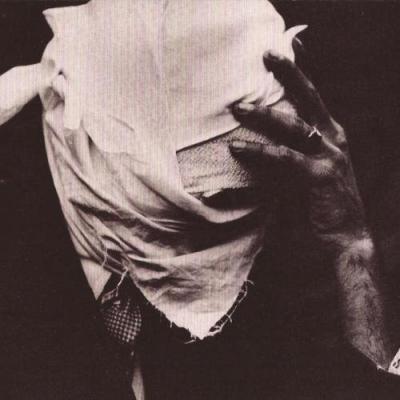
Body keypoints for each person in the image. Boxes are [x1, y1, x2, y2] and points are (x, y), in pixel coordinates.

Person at [0, 1, 399, 399]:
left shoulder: (278, 267)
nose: (234, 249)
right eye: (213, 202)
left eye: (249, 198)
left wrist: (351, 243)